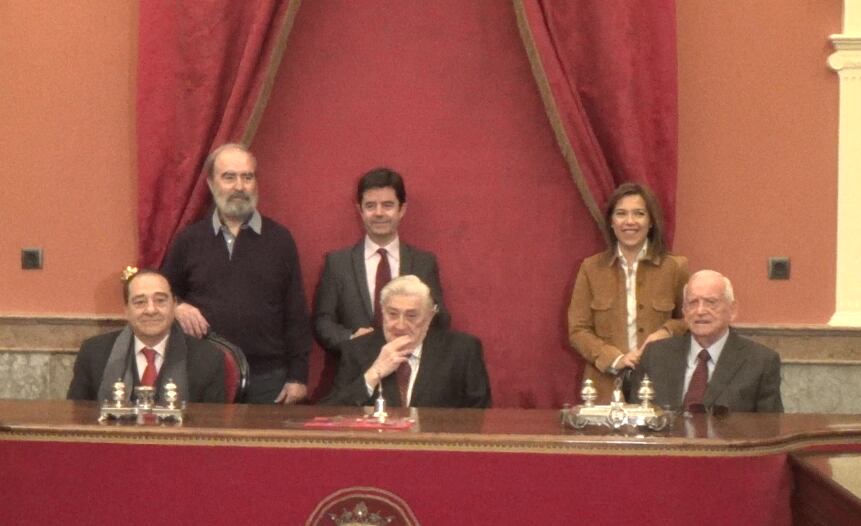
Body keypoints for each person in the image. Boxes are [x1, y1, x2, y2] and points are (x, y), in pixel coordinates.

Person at [161, 143, 311, 404]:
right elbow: (163, 292)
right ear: (211, 183)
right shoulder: (189, 240)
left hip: (268, 380)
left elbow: (295, 311)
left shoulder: (280, 240)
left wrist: (298, 376)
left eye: (247, 177)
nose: (239, 186)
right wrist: (178, 306)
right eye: (229, 177)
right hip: (204, 375)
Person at [568, 182, 689, 402]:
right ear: (611, 222)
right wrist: (616, 359)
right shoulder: (590, 268)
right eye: (621, 214)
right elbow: (578, 330)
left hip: (660, 383)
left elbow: (690, 320)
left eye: (639, 213)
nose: (630, 221)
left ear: (651, 221)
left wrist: (667, 331)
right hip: (604, 387)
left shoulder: (675, 267)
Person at [313, 167, 448, 354]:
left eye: (387, 205)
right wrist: (351, 339)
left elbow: (439, 319)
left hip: (409, 366)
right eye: (370, 206)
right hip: (354, 368)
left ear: (402, 209)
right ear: (360, 211)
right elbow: (322, 322)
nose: (378, 213)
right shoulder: (337, 263)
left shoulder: (424, 263)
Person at [321, 275, 490, 408]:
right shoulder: (357, 350)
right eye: (392, 314)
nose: (400, 325)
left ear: (430, 316)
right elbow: (330, 412)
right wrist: (373, 374)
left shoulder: (462, 351)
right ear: (382, 312)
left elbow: (479, 415)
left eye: (411, 316)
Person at [629, 270, 783, 412]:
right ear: (684, 311)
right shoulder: (655, 355)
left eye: (711, 302)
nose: (700, 311)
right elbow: (635, 419)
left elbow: (769, 426)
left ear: (732, 310)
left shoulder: (760, 362)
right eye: (693, 303)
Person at [67, 269, 225, 403]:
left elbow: (212, 424)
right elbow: (77, 416)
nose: (150, 310)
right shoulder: (94, 353)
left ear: (174, 305)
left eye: (160, 300)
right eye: (140, 302)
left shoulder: (208, 358)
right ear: (126, 310)